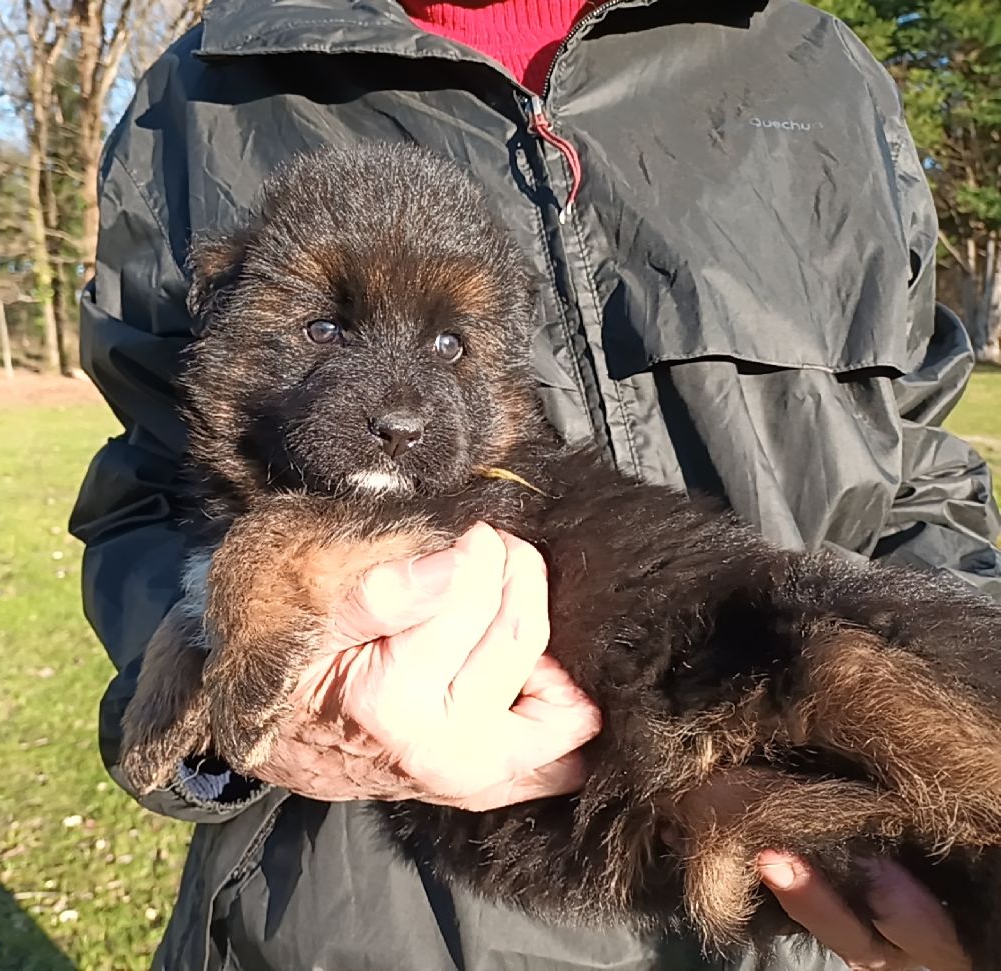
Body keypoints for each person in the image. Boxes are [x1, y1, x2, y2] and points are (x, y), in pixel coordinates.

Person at [70, 0, 1001, 968]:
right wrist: (229, 723)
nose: (397, 407)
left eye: (446, 345)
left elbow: (924, 492)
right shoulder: (204, 84)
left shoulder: (815, 69)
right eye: (323, 332)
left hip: (764, 715)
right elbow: (149, 495)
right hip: (365, 929)